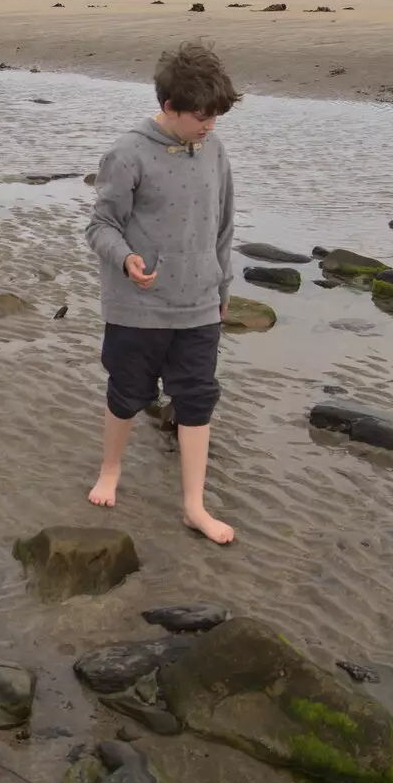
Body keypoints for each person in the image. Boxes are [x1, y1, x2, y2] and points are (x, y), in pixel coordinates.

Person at [83, 40, 240, 544]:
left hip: (200, 306)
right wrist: (126, 259)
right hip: (138, 308)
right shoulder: (127, 153)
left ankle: (194, 505)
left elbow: (224, 228)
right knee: (127, 394)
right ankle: (110, 470)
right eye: (201, 116)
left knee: (196, 400)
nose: (209, 125)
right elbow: (100, 225)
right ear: (170, 106)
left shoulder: (214, 150)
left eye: (216, 116)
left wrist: (222, 289)